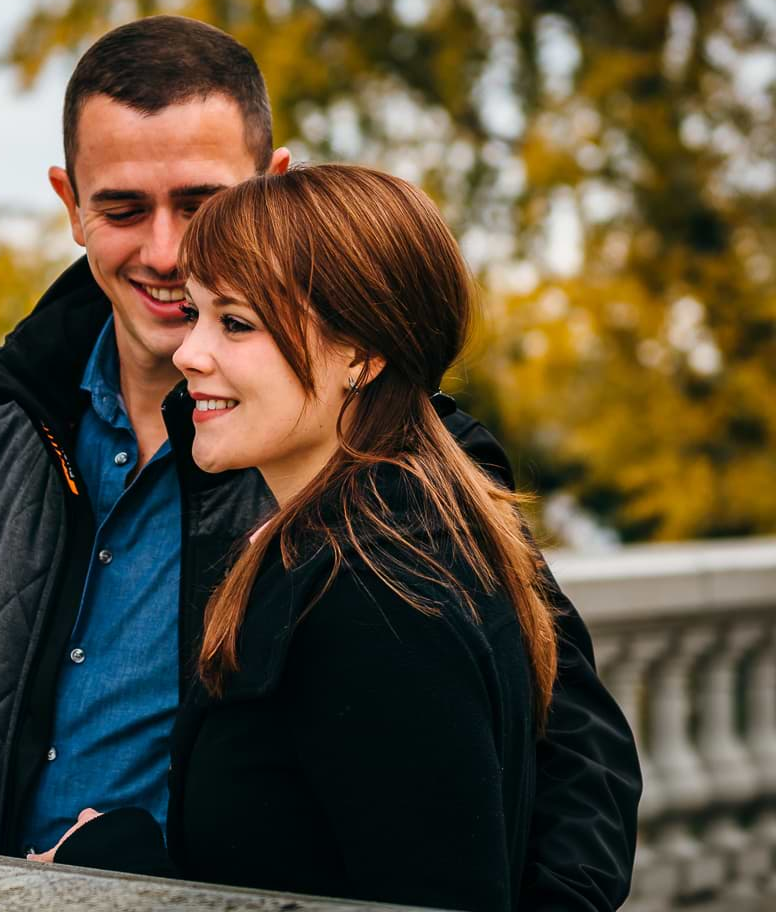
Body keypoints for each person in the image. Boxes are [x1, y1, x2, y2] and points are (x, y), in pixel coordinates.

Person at [0, 15, 641, 909]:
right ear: (70, 203)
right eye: (121, 209)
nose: (164, 251)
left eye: (201, 203)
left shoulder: (393, 459)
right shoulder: (19, 399)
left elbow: (570, 739)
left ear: (271, 187)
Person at [31, 164, 564, 911]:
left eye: (236, 323)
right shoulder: (363, 538)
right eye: (196, 313)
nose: (189, 353)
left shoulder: (378, 597)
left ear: (361, 355)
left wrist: (107, 860)